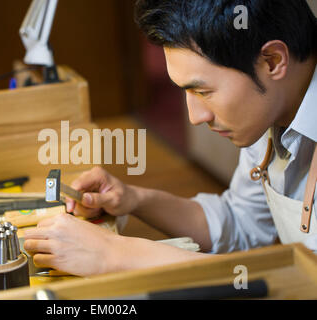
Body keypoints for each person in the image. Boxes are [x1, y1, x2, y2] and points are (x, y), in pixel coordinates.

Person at [24, 0, 317, 277]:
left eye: (203, 92)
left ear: (273, 60)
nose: (195, 116)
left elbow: (303, 281)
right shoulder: (267, 114)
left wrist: (116, 254)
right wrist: (134, 199)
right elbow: (242, 225)